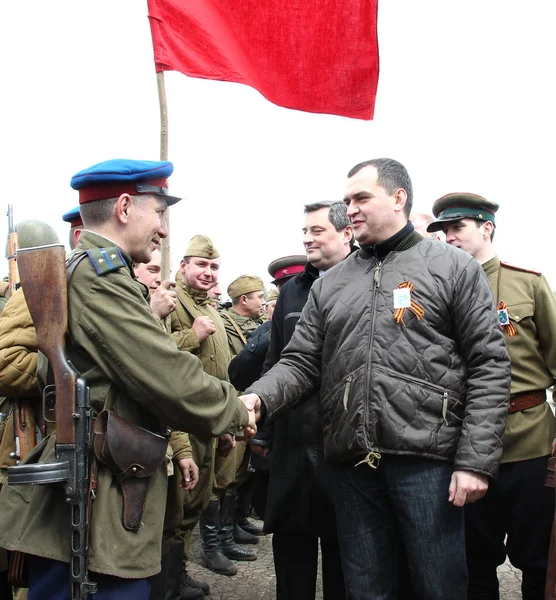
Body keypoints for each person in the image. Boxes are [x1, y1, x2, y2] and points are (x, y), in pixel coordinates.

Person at [241, 158, 512, 600]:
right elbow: (299, 362)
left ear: (399, 198)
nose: (351, 209)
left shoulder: (453, 268)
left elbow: (489, 363)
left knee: (438, 586)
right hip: (353, 467)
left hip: (428, 463)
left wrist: (474, 462)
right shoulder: (332, 284)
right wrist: (257, 400)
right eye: (347, 201)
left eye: (362, 198)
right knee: (365, 588)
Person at [0, 159, 254, 600]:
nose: (163, 230)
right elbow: (164, 373)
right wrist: (235, 410)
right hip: (97, 497)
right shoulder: (99, 279)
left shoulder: (101, 275)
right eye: (159, 213)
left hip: (107, 482)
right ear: (123, 207)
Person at [427, 193, 556, 600]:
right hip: (463, 446)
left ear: (486, 227)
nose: (449, 237)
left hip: (529, 440)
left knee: (537, 560)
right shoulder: (434, 291)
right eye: (443, 231)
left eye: (457, 228)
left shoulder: (527, 284)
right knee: (473, 561)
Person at [256, 200, 353, 600]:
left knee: (343, 559)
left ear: (347, 233)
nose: (307, 239)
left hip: (343, 445)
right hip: (294, 446)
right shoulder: (292, 292)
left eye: (317, 231)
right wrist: (263, 435)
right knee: (292, 559)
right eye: (305, 232)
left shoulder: (367, 281)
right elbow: (273, 361)